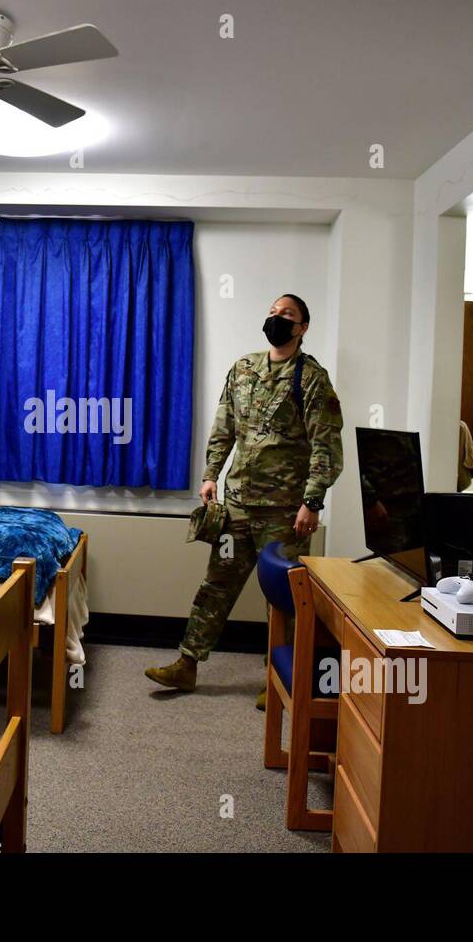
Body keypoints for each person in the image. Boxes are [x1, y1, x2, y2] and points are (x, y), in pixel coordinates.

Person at [145, 294, 344, 705]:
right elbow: (224, 427)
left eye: (286, 315)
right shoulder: (243, 368)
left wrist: (313, 502)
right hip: (236, 504)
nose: (276, 319)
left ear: (302, 327)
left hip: (285, 512)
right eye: (272, 312)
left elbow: (327, 446)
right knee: (216, 585)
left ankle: (277, 679)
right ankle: (186, 665)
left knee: (282, 599)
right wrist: (209, 475)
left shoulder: (311, 379)